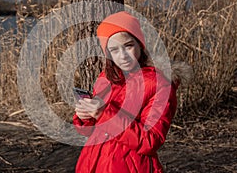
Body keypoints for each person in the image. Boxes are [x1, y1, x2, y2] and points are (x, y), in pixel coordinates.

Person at [73, 11, 188, 173]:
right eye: (114, 50)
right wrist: (84, 117)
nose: (123, 56)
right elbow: (91, 131)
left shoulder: (159, 84)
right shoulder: (106, 78)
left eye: (128, 46)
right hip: (92, 164)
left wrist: (104, 113)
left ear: (140, 44)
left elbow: (150, 141)